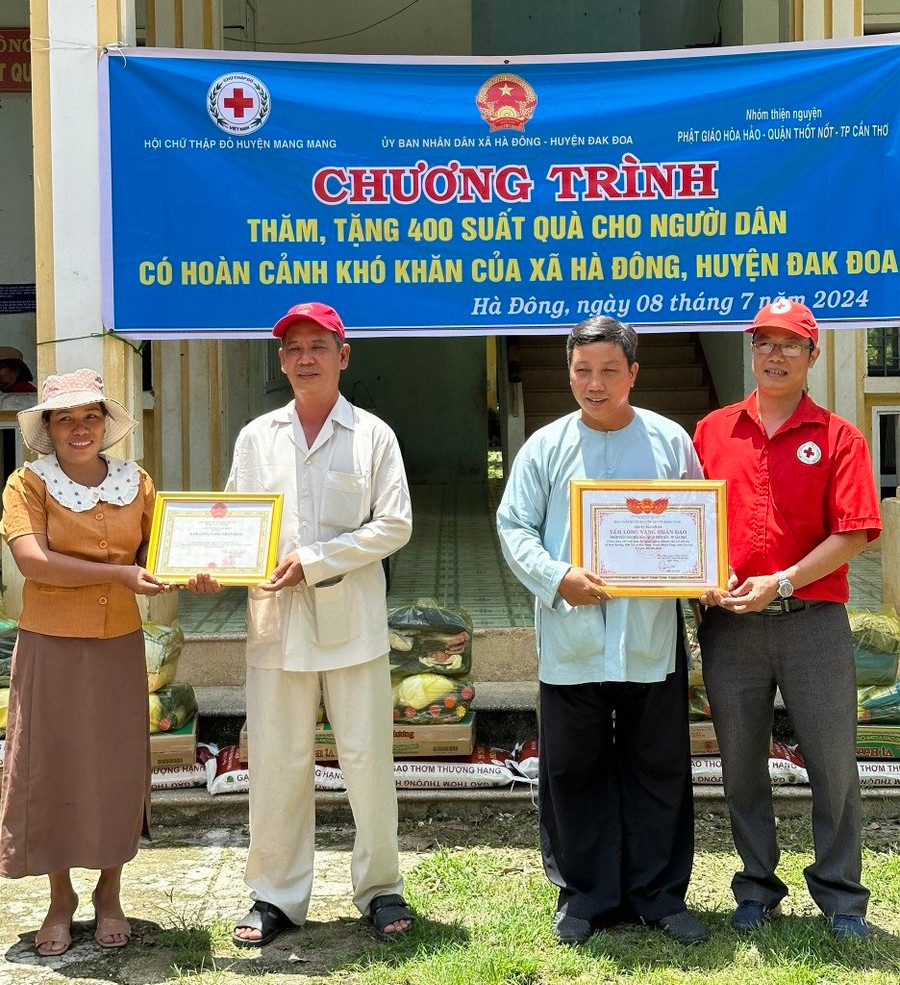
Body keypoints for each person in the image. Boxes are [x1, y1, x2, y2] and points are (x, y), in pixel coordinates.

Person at [496, 316, 708, 946]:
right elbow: (514, 527)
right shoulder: (544, 447)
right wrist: (557, 577)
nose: (594, 382)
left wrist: (699, 579)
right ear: (569, 373)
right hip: (574, 637)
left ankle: (658, 894)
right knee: (572, 770)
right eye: (582, 369)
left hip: (649, 638)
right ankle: (585, 896)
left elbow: (698, 526)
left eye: (609, 369)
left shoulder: (671, 442)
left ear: (633, 374)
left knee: (659, 766)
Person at [222, 301, 414, 947]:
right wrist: (208, 562)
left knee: (367, 759)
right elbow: (236, 522)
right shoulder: (256, 438)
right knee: (276, 761)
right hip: (276, 624)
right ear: (282, 360)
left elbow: (394, 525)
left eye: (317, 346)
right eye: (293, 348)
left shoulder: (373, 436)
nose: (305, 358)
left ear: (343, 354)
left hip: (351, 623)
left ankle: (380, 886)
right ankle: (275, 895)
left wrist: (314, 560)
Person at [693, 299, 882, 940]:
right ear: (751, 350)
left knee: (833, 764)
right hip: (732, 627)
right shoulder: (712, 431)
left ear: (812, 355)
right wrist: (701, 581)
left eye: (789, 345)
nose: (775, 355)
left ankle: (842, 896)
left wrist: (782, 580)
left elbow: (855, 532)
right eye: (764, 342)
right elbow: (689, 523)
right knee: (741, 765)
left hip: (813, 621)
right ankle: (756, 886)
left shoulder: (839, 437)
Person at [0, 369, 168, 956]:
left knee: (116, 765)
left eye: (90, 416)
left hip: (118, 641)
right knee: (53, 764)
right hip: (49, 643)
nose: (80, 429)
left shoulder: (137, 482)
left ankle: (110, 892)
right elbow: (35, 563)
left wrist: (198, 566)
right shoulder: (26, 485)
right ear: (47, 428)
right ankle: (59, 896)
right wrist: (121, 574)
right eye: (65, 418)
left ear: (106, 424)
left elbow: (160, 551)